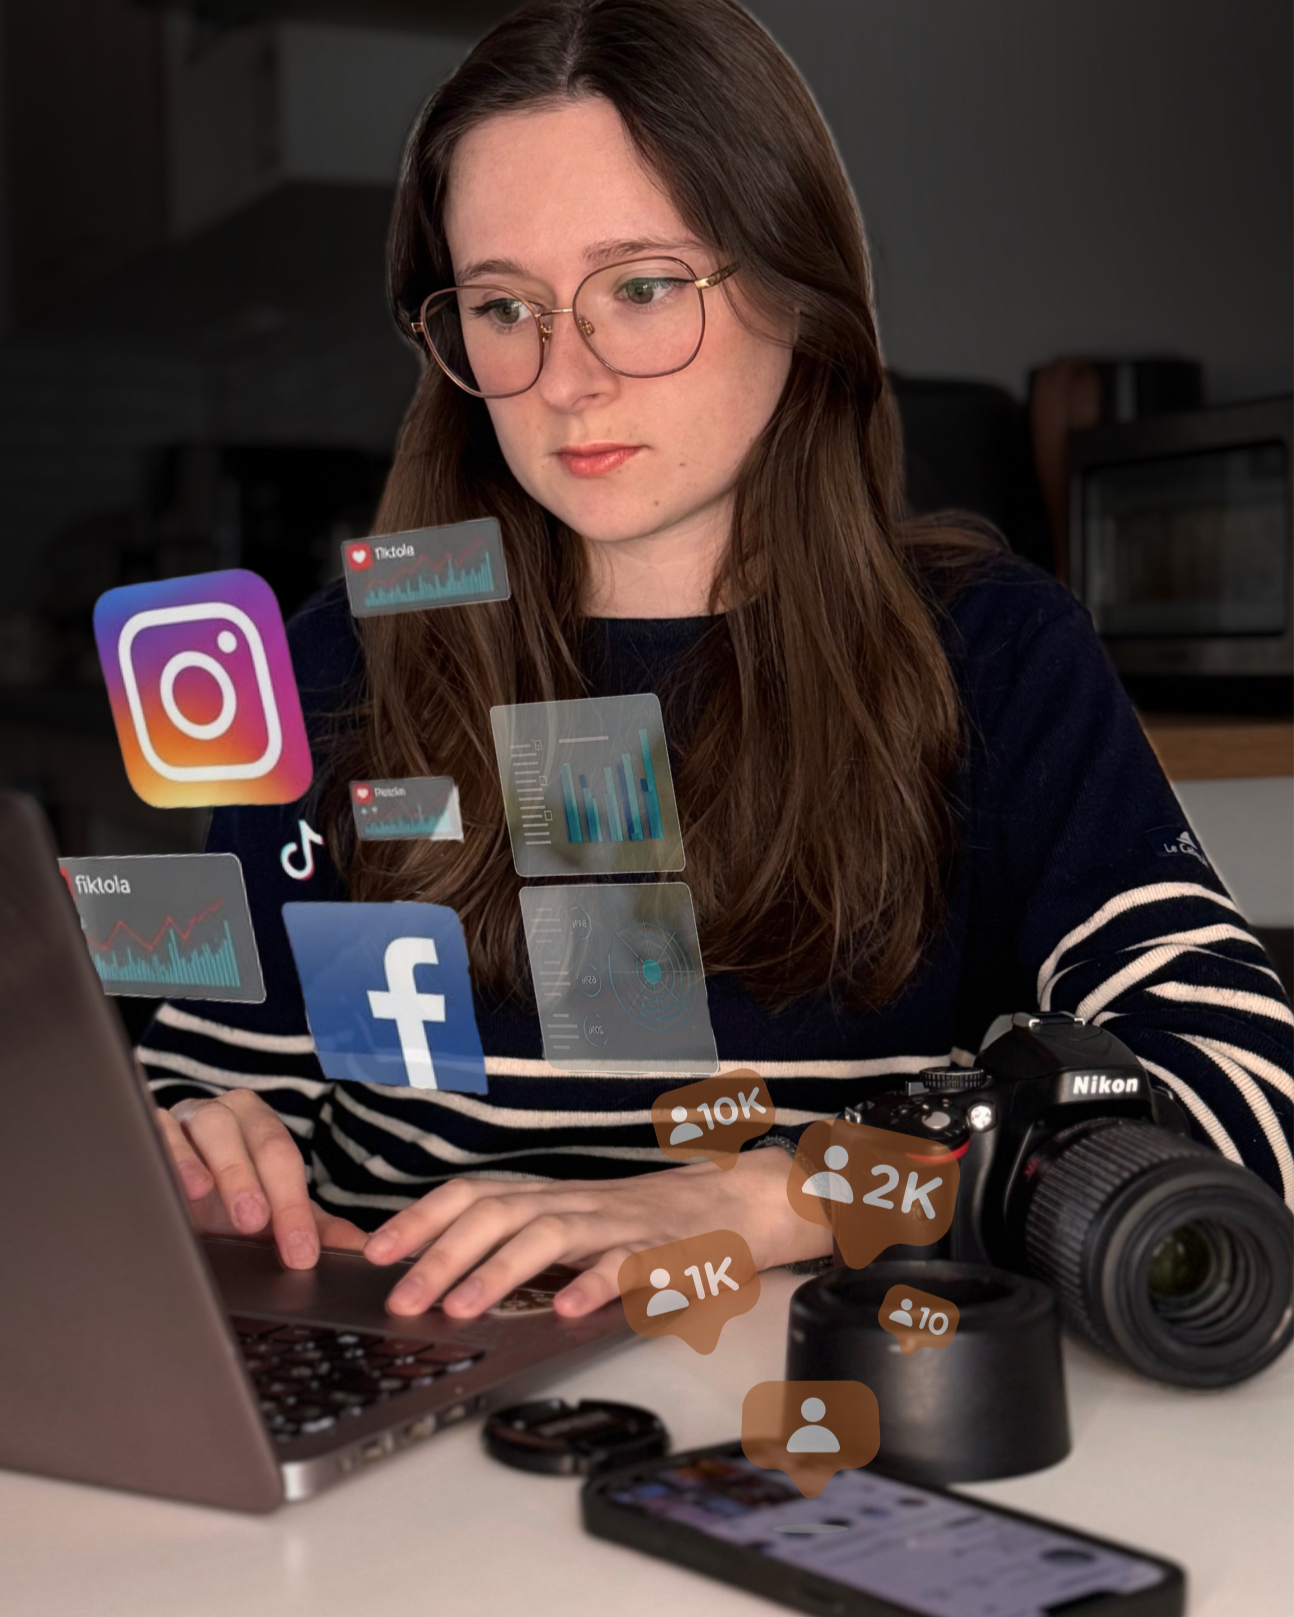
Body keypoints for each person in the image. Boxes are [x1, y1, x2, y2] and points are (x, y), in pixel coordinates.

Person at [140, 0, 1292, 1324]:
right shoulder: (333, 660)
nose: (565, 379)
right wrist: (199, 1149)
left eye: (639, 288)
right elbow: (205, 1092)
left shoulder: (990, 652)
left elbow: (1242, 1098)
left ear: (797, 291)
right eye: (504, 307)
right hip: (410, 1383)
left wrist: (787, 1196)